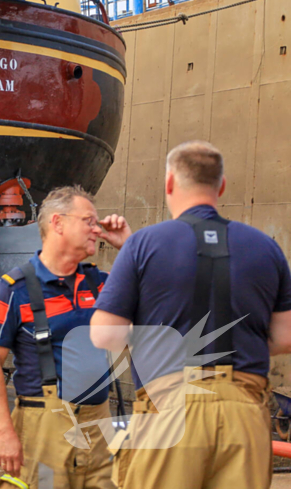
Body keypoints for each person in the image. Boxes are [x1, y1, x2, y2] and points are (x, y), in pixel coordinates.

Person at [90, 141, 291, 489]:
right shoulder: (266, 248)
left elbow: (105, 335)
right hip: (243, 410)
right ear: (222, 186)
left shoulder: (143, 245)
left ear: (169, 183)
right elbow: (285, 337)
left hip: (169, 407)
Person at [0, 185, 130, 489]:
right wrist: (5, 433)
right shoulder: (12, 290)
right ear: (58, 223)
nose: (96, 229)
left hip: (98, 426)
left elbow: (159, 293)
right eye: (88, 220)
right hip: (41, 429)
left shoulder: (102, 285)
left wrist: (128, 246)